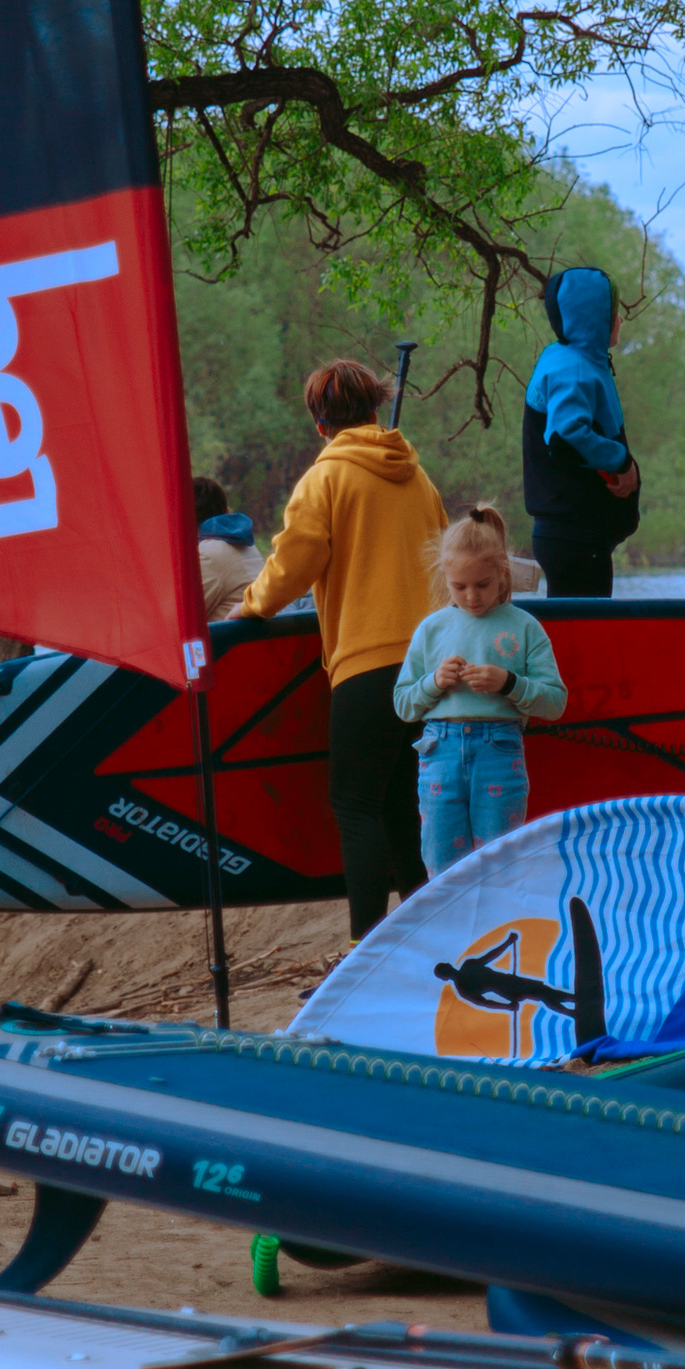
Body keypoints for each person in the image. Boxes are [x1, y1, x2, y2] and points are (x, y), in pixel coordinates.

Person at [244, 360, 447, 937]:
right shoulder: (418, 477)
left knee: (355, 805)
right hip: (428, 663)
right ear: (376, 408)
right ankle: (424, 936)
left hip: (368, 663)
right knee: (400, 807)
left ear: (320, 424)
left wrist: (251, 606)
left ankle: (364, 947)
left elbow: (293, 563)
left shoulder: (326, 478)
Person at [393, 506, 569, 873]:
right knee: (441, 864)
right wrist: (434, 682)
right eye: (459, 587)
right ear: (445, 577)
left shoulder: (525, 627)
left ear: (502, 572)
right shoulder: (431, 629)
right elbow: (404, 704)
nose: (471, 596)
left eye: (482, 585)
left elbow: (555, 702)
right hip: (439, 751)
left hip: (499, 751)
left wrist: (509, 683)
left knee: (500, 863)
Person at [522, 267, 640, 598]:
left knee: (582, 626)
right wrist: (621, 462)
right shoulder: (571, 368)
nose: (620, 319)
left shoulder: (575, 359)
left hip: (579, 537)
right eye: (613, 312)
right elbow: (565, 437)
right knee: (584, 629)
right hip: (574, 537)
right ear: (593, 318)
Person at [192, 477, 267, 621]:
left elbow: (175, 620)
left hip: (231, 636)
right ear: (226, 511)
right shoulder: (244, 544)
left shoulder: (208, 555)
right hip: (254, 634)